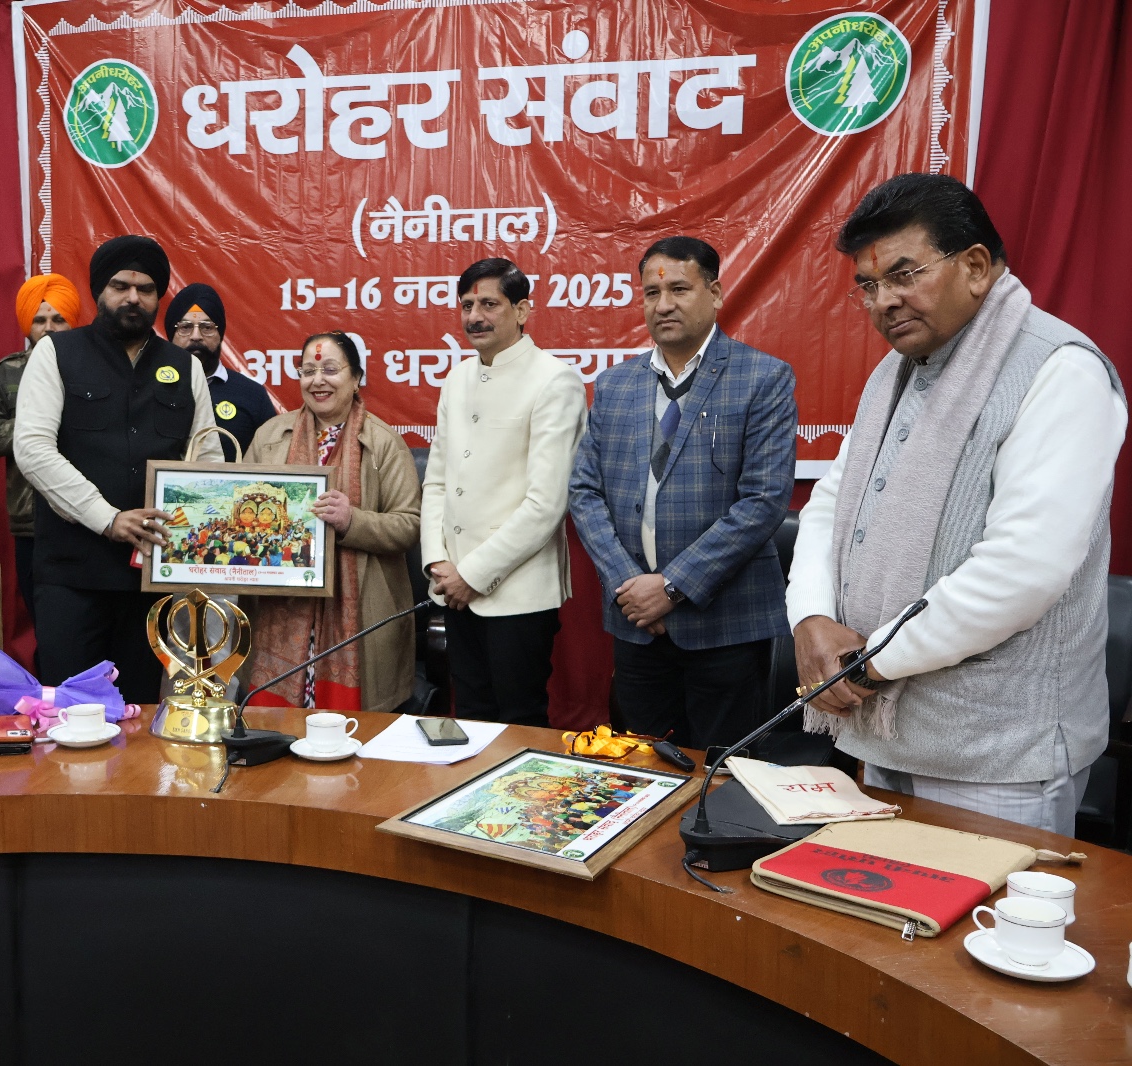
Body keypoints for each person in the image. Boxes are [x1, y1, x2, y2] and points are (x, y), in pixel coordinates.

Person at [786, 174, 1127, 835]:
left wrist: (866, 662)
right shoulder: (894, 374)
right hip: (881, 728)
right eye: (868, 285)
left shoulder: (1061, 371)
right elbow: (831, 505)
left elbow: (1022, 571)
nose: (884, 300)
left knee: (979, 908)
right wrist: (812, 618)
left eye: (903, 274)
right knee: (881, 902)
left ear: (974, 266)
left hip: (998, 755)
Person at [569, 237, 796, 749]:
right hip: (636, 623)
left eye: (678, 289)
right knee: (642, 768)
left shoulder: (763, 378)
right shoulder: (615, 385)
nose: (663, 304)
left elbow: (763, 501)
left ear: (714, 294)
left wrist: (670, 588)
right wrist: (628, 585)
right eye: (652, 293)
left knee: (722, 773)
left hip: (725, 626)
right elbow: (584, 491)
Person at [13, 236, 223, 702]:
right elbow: (32, 449)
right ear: (99, 292)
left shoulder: (185, 366)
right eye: (120, 286)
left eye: (145, 289)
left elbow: (207, 462)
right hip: (72, 575)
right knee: (70, 715)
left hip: (151, 581)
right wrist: (107, 518)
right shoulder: (56, 353)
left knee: (140, 711)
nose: (133, 298)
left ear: (158, 297)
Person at [421, 258, 587, 728]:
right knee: (470, 719)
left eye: (489, 304)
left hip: (517, 593)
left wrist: (472, 574)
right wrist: (437, 561)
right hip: (453, 588)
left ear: (522, 310)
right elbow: (436, 480)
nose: (475, 316)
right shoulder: (457, 378)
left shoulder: (554, 379)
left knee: (519, 723)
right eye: (467, 305)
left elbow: (546, 504)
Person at [243, 332, 421, 712]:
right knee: (275, 734)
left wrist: (351, 521)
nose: (317, 380)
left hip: (360, 614)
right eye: (308, 371)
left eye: (329, 369)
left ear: (356, 378)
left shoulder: (384, 443)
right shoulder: (270, 437)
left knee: (350, 737)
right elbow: (241, 515)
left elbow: (408, 525)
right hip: (280, 608)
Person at [0, 274, 82, 622]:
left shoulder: (96, 368)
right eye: (40, 320)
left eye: (58, 319)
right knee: (42, 616)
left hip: (88, 517)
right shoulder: (8, 372)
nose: (49, 328)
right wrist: (35, 429)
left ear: (72, 321)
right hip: (32, 520)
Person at [164, 283, 277, 460]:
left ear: (221, 334)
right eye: (185, 327)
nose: (196, 336)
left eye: (207, 327)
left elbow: (273, 459)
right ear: (171, 335)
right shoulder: (150, 385)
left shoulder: (252, 395)